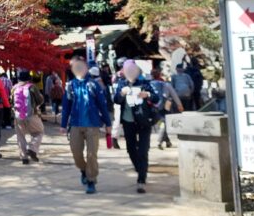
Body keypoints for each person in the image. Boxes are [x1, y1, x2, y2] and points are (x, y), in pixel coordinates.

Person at [60, 56, 112, 194]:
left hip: (92, 124)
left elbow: (102, 105)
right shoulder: (70, 86)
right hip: (75, 124)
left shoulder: (94, 85)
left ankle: (91, 180)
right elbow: (66, 106)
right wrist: (63, 124)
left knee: (91, 154)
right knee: (76, 153)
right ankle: (83, 169)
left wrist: (108, 123)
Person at [114, 60, 161, 193]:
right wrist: (122, 94)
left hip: (144, 120)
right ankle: (140, 167)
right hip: (128, 120)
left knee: (143, 150)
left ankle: (141, 179)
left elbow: (156, 98)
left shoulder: (144, 83)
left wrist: (147, 95)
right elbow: (116, 100)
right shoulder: (122, 84)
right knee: (131, 148)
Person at [11, 70, 44, 164]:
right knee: (39, 132)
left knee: (20, 136)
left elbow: (10, 101)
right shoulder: (32, 87)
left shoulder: (14, 88)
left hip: (18, 116)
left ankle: (24, 157)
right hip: (31, 115)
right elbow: (40, 100)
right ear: (29, 79)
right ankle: (32, 148)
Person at [150, 68, 184, 149]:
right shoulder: (166, 84)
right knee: (164, 124)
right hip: (164, 107)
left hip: (152, 107)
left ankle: (168, 142)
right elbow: (174, 95)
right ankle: (159, 141)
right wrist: (180, 105)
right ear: (159, 75)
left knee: (161, 123)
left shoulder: (148, 85)